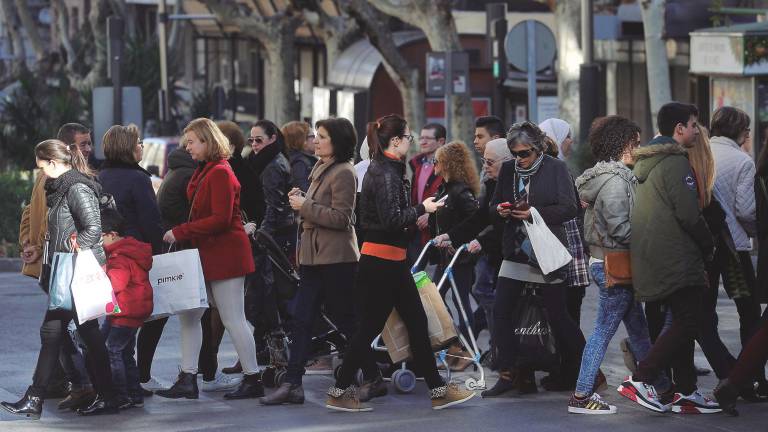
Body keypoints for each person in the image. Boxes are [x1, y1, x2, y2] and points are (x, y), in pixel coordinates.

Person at [326, 114, 475, 412]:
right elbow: (392, 219)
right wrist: (423, 207)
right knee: (372, 328)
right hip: (383, 262)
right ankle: (340, 391)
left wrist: (417, 213)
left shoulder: (386, 169)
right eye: (408, 136)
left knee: (414, 323)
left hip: (389, 261)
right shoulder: (385, 172)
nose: (412, 141)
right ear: (395, 141)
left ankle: (437, 390)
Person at [262, 117, 381, 405]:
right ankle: (293, 383)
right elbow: (320, 208)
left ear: (337, 142)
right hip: (314, 258)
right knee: (302, 320)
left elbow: (342, 218)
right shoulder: (321, 168)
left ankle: (374, 376)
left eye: (323, 136)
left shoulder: (344, 172)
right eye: (316, 135)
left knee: (346, 320)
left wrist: (306, 206)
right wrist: (303, 200)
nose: (316, 140)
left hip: (336, 259)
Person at [1, 139, 118, 418]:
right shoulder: (60, 187)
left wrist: (71, 249)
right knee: (82, 334)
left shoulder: (76, 187)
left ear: (53, 163)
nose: (41, 172)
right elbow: (62, 229)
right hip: (64, 269)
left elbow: (93, 229)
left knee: (57, 333)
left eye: (42, 166)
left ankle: (37, 399)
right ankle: (105, 396)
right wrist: (39, 249)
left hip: (73, 271)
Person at [619, 102, 720, 414]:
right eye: (693, 125)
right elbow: (689, 215)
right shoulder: (676, 163)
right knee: (688, 320)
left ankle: (685, 390)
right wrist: (708, 244)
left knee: (680, 322)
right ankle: (643, 377)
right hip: (677, 256)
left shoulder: (645, 164)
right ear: (679, 129)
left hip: (653, 255)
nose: (696, 131)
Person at [158, 118, 261, 400]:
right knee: (191, 315)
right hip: (211, 254)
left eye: (192, 142)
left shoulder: (219, 172)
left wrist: (180, 231)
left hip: (224, 255)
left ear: (207, 141)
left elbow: (220, 219)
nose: (187, 147)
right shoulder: (209, 170)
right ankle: (188, 376)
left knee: (232, 318)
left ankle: (252, 377)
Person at [483, 121, 584, 397]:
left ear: (538, 149)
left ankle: (589, 367)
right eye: (515, 153)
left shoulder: (556, 168)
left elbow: (570, 208)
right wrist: (500, 210)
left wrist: (534, 213)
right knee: (501, 311)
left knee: (557, 315)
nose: (519, 159)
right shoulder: (508, 170)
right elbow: (492, 206)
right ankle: (507, 373)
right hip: (515, 250)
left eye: (524, 153)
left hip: (546, 251)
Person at [568, 115, 654, 414]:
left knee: (638, 329)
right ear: (623, 143)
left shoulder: (605, 177)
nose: (639, 149)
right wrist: (652, 236)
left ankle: (659, 387)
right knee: (603, 331)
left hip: (609, 261)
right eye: (636, 143)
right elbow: (620, 229)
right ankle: (581, 395)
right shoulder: (615, 181)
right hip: (613, 262)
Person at [709, 107, 763, 373]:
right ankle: (751, 374)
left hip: (705, 244)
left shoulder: (702, 152)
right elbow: (745, 210)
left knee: (704, 310)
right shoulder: (743, 161)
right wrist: (755, 231)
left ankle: (726, 368)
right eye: (746, 128)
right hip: (734, 245)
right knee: (748, 310)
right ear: (738, 130)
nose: (748, 133)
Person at [715, 139, 768, 414]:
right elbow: (747, 212)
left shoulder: (760, 170)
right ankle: (735, 382)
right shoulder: (745, 164)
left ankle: (735, 382)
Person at [429, 141, 480, 372]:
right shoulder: (444, 189)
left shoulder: (461, 191)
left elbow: (474, 222)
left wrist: (455, 241)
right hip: (445, 258)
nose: (433, 164)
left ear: (446, 163)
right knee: (436, 299)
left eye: (436, 160)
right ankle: (456, 346)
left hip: (460, 258)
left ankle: (467, 351)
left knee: (460, 303)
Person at [99, 207, 154, 410]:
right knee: (125, 352)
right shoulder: (129, 250)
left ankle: (121, 395)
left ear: (112, 235)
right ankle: (134, 393)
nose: (98, 242)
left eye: (100, 237)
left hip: (125, 312)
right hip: (131, 311)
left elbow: (116, 284)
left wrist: (101, 271)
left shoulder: (119, 256)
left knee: (112, 350)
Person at [98, 124, 164, 254]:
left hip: (106, 250)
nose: (142, 146)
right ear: (128, 148)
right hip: (134, 251)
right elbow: (151, 222)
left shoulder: (99, 177)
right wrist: (157, 251)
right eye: (139, 143)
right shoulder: (138, 178)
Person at [408, 123, 447, 264]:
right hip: (416, 228)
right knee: (415, 272)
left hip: (438, 231)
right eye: (421, 138)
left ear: (441, 141)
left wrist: (431, 216)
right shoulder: (416, 164)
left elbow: (451, 196)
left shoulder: (449, 166)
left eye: (428, 138)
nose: (422, 142)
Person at [283, 120, 318, 192]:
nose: (316, 140)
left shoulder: (293, 159)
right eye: (313, 136)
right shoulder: (300, 163)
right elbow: (305, 193)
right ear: (302, 140)